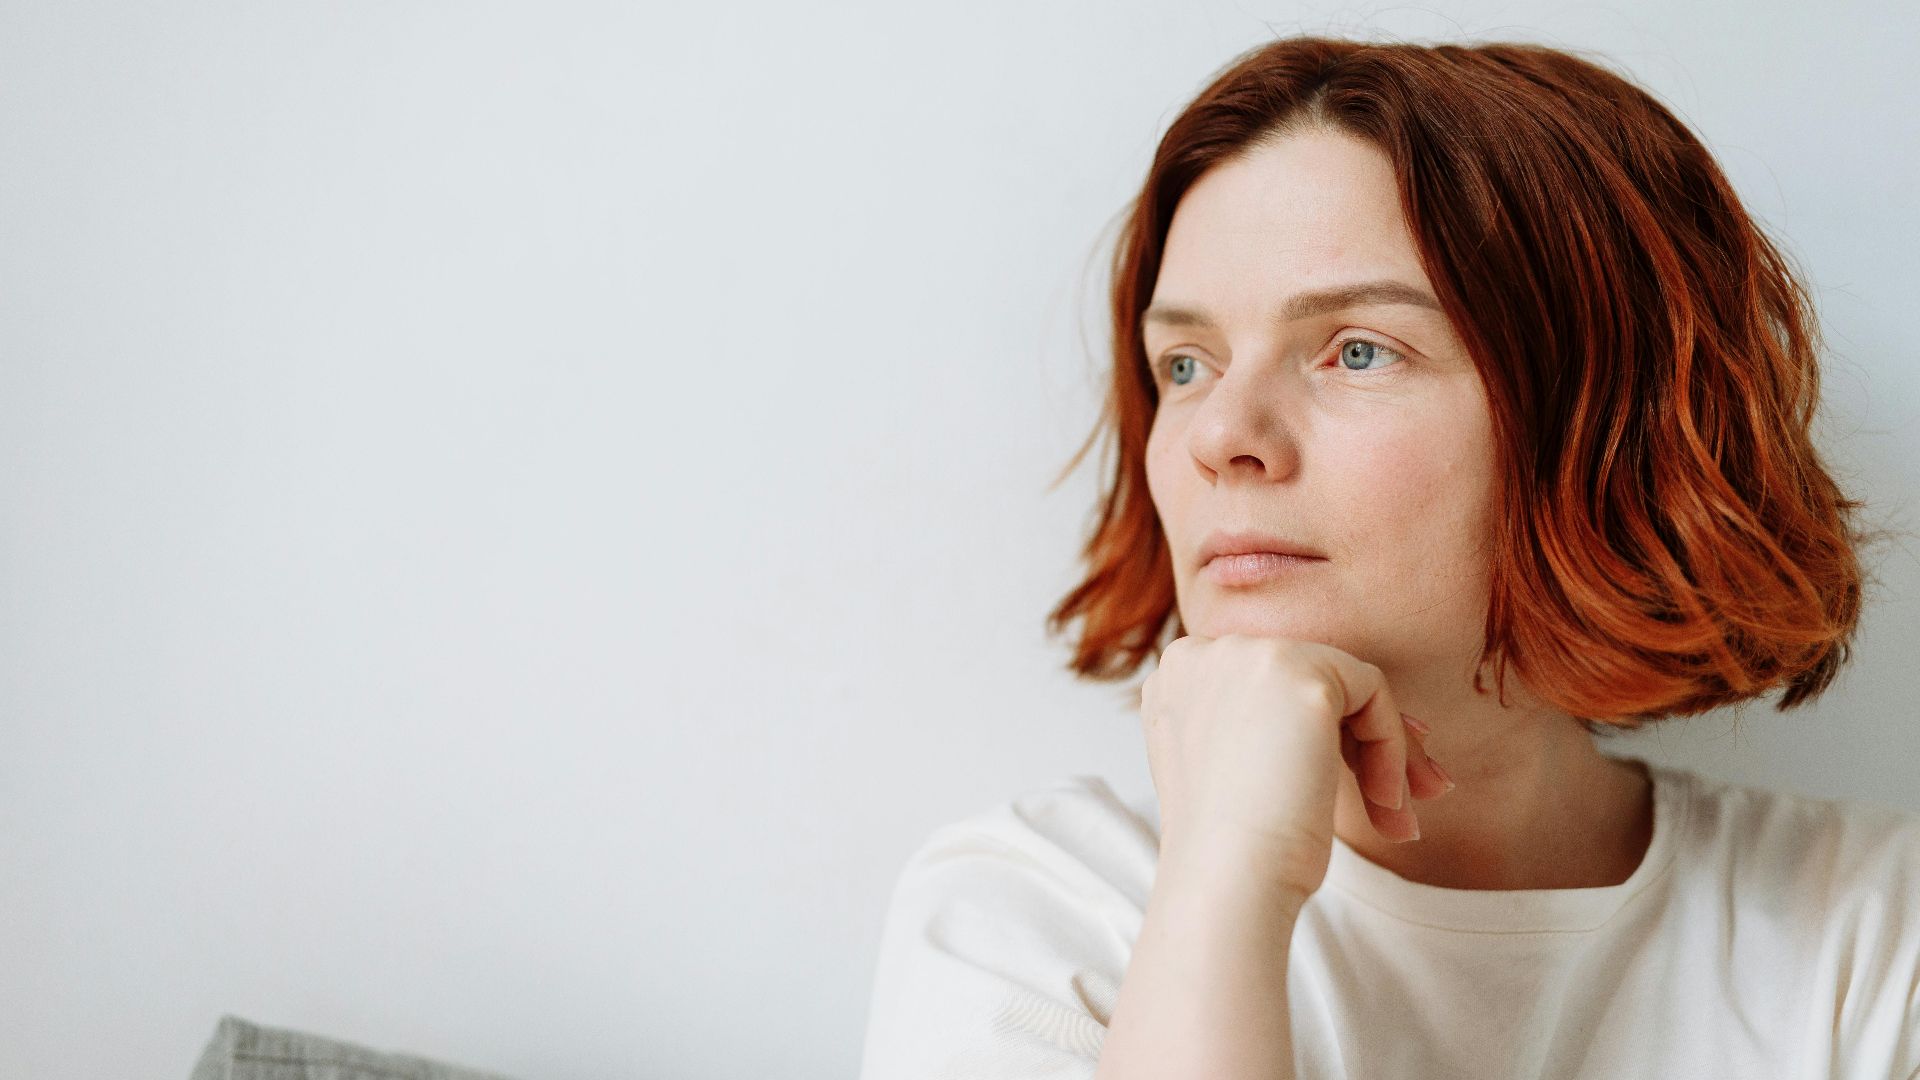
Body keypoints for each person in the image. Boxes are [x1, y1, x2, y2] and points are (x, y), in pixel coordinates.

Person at [855, 34, 1920, 1080]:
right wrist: (1225, 880)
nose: (1222, 434)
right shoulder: (1027, 914)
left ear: (1602, 425)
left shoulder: (1873, 932)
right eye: (1186, 363)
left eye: (1358, 349)